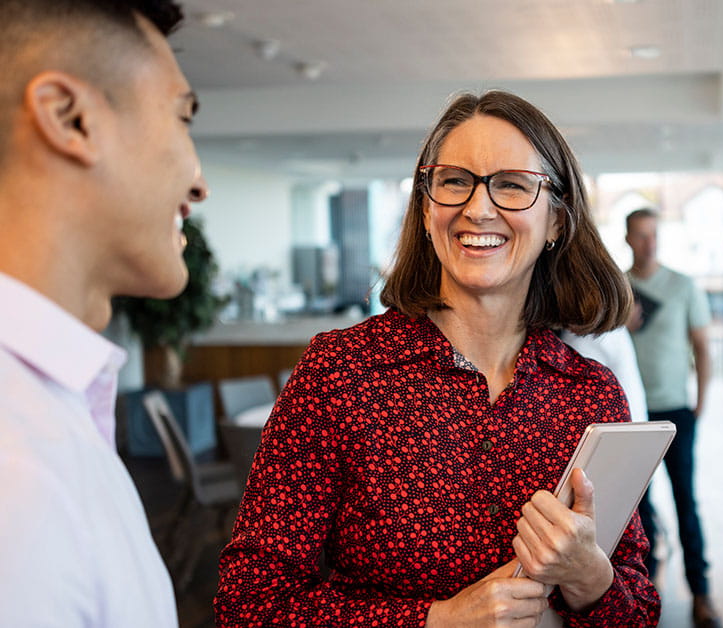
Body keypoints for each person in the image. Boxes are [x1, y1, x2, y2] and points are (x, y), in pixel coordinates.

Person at [215, 90, 659, 627]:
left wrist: (590, 576)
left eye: (512, 185)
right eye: (454, 181)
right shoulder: (340, 373)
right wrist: (437, 620)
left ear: (557, 223)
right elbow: (249, 603)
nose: (477, 207)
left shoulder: (590, 393)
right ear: (427, 208)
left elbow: (639, 610)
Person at [0, 0, 208, 625]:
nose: (199, 184)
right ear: (71, 118)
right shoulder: (17, 470)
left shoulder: (55, 411)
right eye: (181, 116)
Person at [624, 208, 720, 628]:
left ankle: (702, 594)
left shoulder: (683, 286)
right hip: (629, 416)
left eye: (654, 235)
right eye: (641, 236)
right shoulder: (617, 289)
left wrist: (700, 402)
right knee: (635, 508)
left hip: (675, 410)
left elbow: (701, 345)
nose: (649, 243)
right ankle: (645, 589)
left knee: (686, 502)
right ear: (628, 239)